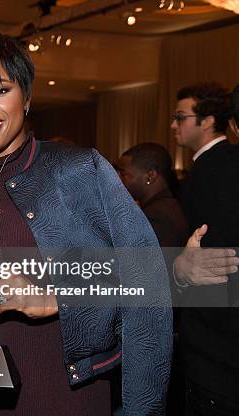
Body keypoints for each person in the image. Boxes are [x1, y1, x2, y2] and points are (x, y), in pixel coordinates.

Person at [0, 30, 172, 415]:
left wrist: (55, 299)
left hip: (60, 394)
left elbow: (148, 281)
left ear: (27, 97)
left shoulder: (80, 171)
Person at [170, 82, 239, 414]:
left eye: (180, 117)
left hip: (215, 352)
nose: (173, 125)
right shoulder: (216, 166)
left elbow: (215, 266)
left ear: (209, 121)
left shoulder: (212, 172)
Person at [117, 142, 188, 247]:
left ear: (150, 176)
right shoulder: (165, 206)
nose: (117, 179)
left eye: (123, 174)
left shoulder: (158, 218)